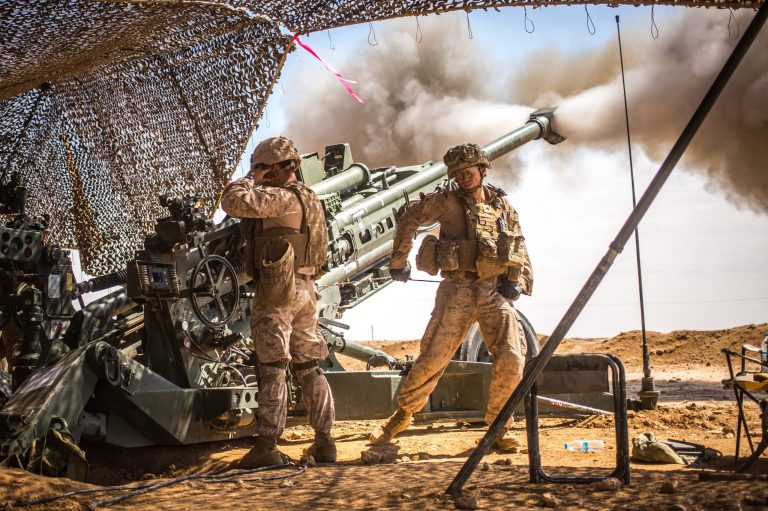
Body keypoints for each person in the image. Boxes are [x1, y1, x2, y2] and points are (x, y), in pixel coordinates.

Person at [369, 143, 533, 451]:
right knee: (433, 357)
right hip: (457, 291)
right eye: (456, 174)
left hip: (493, 291)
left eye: (468, 172)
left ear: (482, 170)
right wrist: (398, 261)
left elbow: (519, 243)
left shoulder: (501, 205)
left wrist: (518, 280)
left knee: (512, 357)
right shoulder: (445, 202)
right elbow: (409, 220)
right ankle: (401, 416)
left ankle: (499, 427)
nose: (462, 178)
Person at [220, 136, 336, 467]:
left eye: (259, 167)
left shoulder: (280, 197)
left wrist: (245, 180)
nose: (256, 173)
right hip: (306, 290)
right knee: (308, 366)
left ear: (276, 168)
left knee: (272, 367)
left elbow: (233, 202)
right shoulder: (310, 198)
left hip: (279, 292)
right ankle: (325, 442)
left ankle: (267, 446)